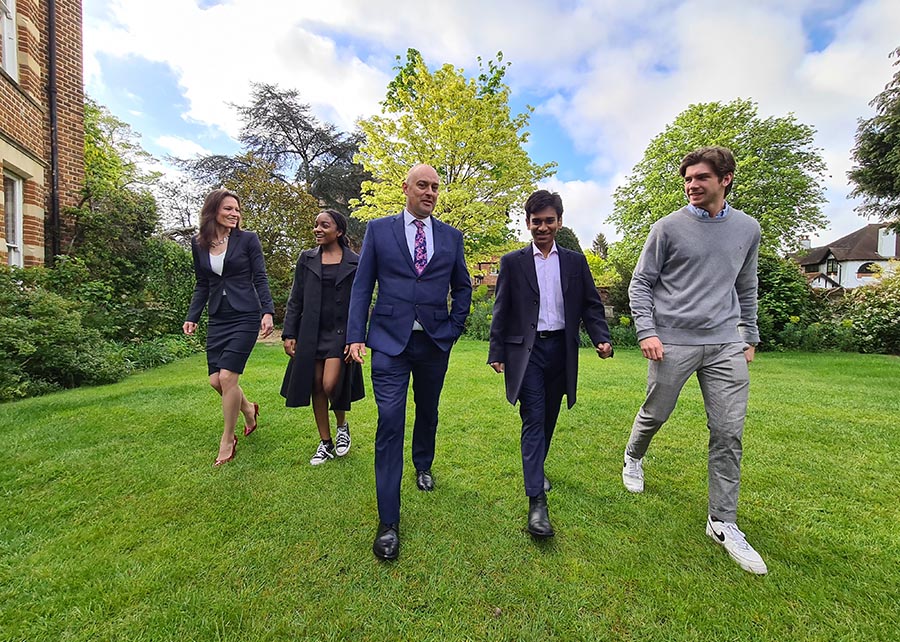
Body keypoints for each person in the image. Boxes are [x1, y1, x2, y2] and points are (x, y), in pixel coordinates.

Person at [622, 146, 767, 574]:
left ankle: (722, 522)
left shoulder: (747, 229)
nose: (691, 185)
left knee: (728, 431)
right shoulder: (666, 228)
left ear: (725, 179)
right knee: (656, 412)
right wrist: (647, 331)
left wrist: (749, 334)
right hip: (673, 342)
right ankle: (633, 456)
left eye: (700, 177)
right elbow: (641, 283)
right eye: (687, 179)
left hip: (725, 343)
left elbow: (746, 285)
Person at [347, 163, 472, 560]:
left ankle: (423, 463)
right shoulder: (379, 231)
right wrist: (355, 335)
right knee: (389, 420)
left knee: (428, 410)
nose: (431, 192)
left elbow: (463, 286)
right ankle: (388, 521)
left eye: (436, 187)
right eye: (423, 185)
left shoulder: (452, 237)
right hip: (388, 340)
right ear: (405, 188)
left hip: (435, 341)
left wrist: (453, 328)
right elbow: (363, 284)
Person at [488, 190, 613, 539]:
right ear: (527, 223)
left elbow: (590, 304)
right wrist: (496, 351)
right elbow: (502, 309)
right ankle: (536, 503)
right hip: (526, 353)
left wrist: (601, 337)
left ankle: (537, 466)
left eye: (548, 220)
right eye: (535, 221)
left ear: (559, 221)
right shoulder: (513, 262)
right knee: (533, 417)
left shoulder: (575, 262)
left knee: (549, 417)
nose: (542, 227)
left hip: (562, 351)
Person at [183, 188, 274, 466]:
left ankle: (227, 439)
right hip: (218, 316)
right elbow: (202, 283)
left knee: (227, 379)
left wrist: (268, 310)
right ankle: (248, 408)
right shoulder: (199, 244)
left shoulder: (247, 240)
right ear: (213, 211)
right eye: (228, 209)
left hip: (245, 314)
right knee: (215, 380)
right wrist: (193, 315)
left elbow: (260, 276)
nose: (234, 214)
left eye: (237, 209)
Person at [281, 209, 365, 465]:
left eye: (324, 225)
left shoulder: (355, 261)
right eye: (316, 224)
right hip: (311, 332)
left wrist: (357, 336)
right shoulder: (306, 259)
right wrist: (289, 333)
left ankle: (342, 426)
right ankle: (325, 442)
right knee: (315, 384)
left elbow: (361, 301)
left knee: (331, 383)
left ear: (338, 231)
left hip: (340, 333)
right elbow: (296, 298)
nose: (317, 229)